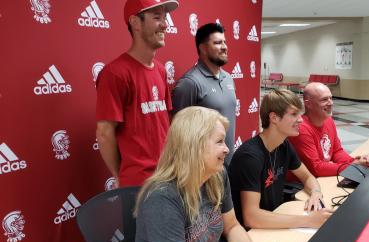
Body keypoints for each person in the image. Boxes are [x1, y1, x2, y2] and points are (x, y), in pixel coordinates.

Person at [126, 107, 290, 242]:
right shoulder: (162, 197)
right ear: (194, 145)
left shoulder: (217, 175)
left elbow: (231, 226)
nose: (227, 149)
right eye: (219, 141)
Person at [95, 0, 178, 187]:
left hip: (168, 176)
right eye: (157, 17)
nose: (165, 24)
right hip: (137, 186)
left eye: (165, 18)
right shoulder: (115, 73)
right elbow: (104, 133)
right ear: (135, 23)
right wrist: (122, 176)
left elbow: (165, 123)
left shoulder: (161, 70)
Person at [228, 89, 333, 229]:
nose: (301, 119)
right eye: (294, 114)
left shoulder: (284, 144)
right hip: (252, 232)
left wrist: (316, 193)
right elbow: (251, 217)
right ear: (274, 118)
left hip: (274, 220)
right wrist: (308, 221)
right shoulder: (250, 157)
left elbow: (307, 177)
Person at [172, 23, 237, 164]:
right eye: (218, 43)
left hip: (227, 165)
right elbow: (179, 135)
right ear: (203, 48)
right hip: (201, 170)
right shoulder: (189, 83)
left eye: (225, 42)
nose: (225, 47)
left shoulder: (229, 78)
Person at [289, 82, 369, 177]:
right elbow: (316, 168)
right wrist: (352, 166)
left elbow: (337, 151)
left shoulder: (328, 120)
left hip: (321, 177)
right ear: (308, 104)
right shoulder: (301, 128)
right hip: (302, 185)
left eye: (331, 98)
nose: (331, 103)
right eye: (324, 99)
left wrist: (355, 161)